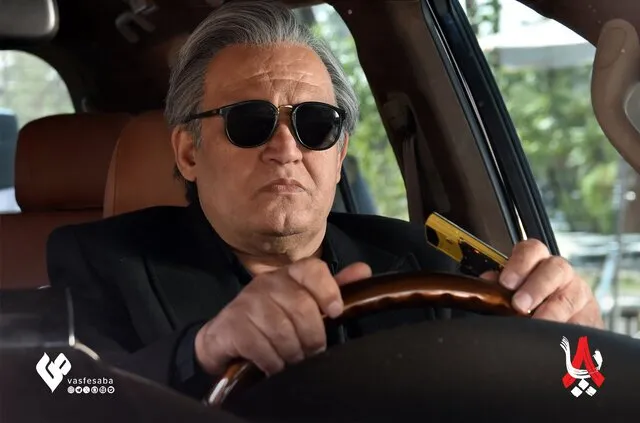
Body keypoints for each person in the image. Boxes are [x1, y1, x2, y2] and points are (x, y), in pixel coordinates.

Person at [46, 0, 603, 400]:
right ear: (189, 153)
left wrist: (581, 348)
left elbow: (561, 398)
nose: (287, 148)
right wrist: (203, 349)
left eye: (316, 124)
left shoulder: (426, 261)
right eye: (250, 122)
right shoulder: (99, 260)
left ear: (338, 156)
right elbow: (66, 390)